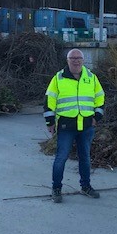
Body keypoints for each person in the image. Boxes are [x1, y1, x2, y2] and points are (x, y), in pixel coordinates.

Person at [44, 49, 105, 203]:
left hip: (86, 126)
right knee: (61, 158)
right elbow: (49, 101)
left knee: (85, 158)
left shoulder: (91, 78)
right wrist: (50, 122)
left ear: (83, 60)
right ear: (68, 60)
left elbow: (100, 97)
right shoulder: (58, 78)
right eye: (73, 58)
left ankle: (86, 187)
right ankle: (56, 188)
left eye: (79, 58)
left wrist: (97, 116)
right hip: (66, 126)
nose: (76, 61)